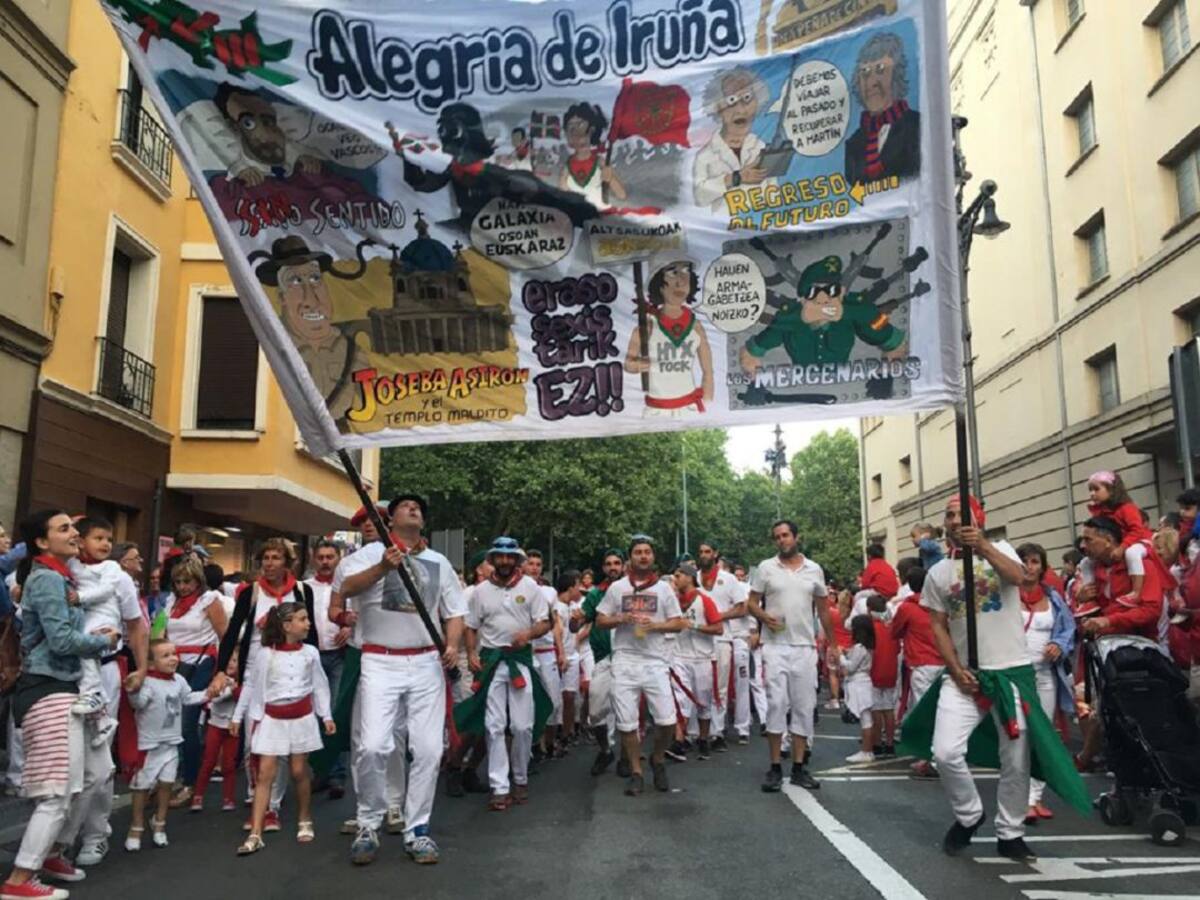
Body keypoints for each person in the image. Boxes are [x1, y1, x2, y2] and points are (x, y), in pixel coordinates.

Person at [899, 495, 1089, 863]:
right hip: (964, 677)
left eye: (961, 515)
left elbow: (1020, 579)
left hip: (1011, 674)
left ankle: (1010, 832)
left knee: (1016, 759)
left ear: (979, 519)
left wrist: (983, 547)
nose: (954, 521)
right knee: (945, 752)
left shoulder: (1002, 550)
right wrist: (954, 668)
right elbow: (937, 624)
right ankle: (969, 815)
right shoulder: (939, 572)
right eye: (949, 516)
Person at [334, 494, 464, 866]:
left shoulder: (439, 562)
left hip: (425, 663)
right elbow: (345, 591)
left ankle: (417, 829)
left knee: (427, 749)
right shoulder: (364, 558)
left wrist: (452, 644)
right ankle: (369, 822)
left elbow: (454, 612)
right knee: (373, 745)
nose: (414, 510)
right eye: (406, 506)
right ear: (389, 519)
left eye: (419, 508)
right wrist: (383, 568)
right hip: (379, 659)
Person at [2, 511, 119, 899]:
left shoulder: (57, 577)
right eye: (65, 528)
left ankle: (52, 853)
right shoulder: (49, 579)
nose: (74, 534)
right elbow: (63, 642)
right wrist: (105, 639)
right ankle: (19, 879)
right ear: (41, 541)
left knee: (95, 774)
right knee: (56, 793)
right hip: (48, 689)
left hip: (66, 688)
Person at [211, 538, 316, 831]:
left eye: (275, 558)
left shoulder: (301, 591)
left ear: (287, 562)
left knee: (280, 746)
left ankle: (272, 806)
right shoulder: (251, 592)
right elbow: (232, 633)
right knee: (253, 741)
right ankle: (256, 793)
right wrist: (221, 670)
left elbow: (313, 634)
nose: (269, 564)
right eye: (265, 558)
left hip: (289, 676)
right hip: (256, 673)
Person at [65, 518, 148, 869]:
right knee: (70, 759)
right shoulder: (61, 570)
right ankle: (61, 835)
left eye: (107, 538)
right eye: (96, 537)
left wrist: (141, 668)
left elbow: (135, 625)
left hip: (106, 667)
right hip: (64, 672)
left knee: (99, 751)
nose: (103, 543)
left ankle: (96, 833)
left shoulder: (119, 577)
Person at [458, 538, 552, 811]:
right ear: (493, 559)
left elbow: (545, 622)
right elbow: (471, 625)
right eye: (500, 556)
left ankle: (520, 778)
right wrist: (472, 653)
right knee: (494, 726)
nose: (506, 561)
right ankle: (499, 787)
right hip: (490, 661)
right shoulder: (480, 591)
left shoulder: (530, 587)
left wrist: (528, 634)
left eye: (511, 557)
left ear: (517, 560)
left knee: (522, 726)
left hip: (520, 660)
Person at [233, 604, 333, 855]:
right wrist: (238, 717)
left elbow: (319, 685)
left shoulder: (310, 653)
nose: (308, 623)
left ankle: (304, 818)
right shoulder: (265, 654)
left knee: (299, 770)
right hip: (272, 719)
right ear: (287, 626)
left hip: (302, 718)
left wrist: (326, 715)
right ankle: (255, 832)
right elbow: (252, 686)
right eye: (302, 619)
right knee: (264, 774)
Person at [747, 519, 839, 792]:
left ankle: (799, 767)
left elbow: (823, 610)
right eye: (777, 537)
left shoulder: (814, 569)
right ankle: (775, 767)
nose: (781, 540)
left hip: (804, 647)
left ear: (796, 537)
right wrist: (764, 617)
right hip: (774, 645)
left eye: (786, 535)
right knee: (776, 703)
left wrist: (833, 645)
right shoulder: (766, 568)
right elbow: (751, 603)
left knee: (804, 706)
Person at [595, 535, 687, 796]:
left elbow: (680, 623)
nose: (643, 556)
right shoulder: (617, 588)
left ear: (653, 557)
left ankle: (657, 759)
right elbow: (600, 620)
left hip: (655, 661)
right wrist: (620, 617)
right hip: (625, 659)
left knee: (667, 720)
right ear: (630, 558)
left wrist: (655, 625)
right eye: (638, 552)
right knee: (626, 723)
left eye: (647, 552)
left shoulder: (663, 589)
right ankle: (636, 771)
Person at [124, 640, 212, 851]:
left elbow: (188, 698)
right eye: (165, 655)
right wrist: (133, 689)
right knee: (141, 787)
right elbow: (138, 703)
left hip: (171, 743)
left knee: (166, 785)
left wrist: (211, 693)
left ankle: (159, 823)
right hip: (148, 746)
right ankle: (136, 827)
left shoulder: (179, 680)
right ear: (151, 663)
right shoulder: (146, 682)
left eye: (174, 653)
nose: (173, 658)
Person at [1014, 543, 1076, 825]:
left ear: (1043, 566)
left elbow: (1068, 629)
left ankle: (1035, 797)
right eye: (1024, 561)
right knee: (1022, 734)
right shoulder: (1006, 596)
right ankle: (1021, 797)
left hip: (1046, 674)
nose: (1029, 566)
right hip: (1016, 675)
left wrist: (1058, 645)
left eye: (1035, 561)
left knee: (1044, 734)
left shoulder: (1053, 598)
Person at [162, 556, 228, 810]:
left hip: (201, 663)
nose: (182, 586)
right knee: (171, 722)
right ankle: (176, 776)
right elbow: (161, 632)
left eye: (187, 581)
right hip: (173, 664)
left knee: (188, 723)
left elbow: (225, 635)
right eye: (178, 581)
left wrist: (222, 671)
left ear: (197, 580)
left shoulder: (209, 600)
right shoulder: (170, 602)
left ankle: (191, 780)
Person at [843, 31, 921, 185]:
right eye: (864, 72)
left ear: (896, 74)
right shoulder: (853, 145)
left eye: (880, 69)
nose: (871, 82)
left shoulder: (917, 126)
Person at [305, 540, 350, 799]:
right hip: (311, 657)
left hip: (339, 656)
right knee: (312, 715)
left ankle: (336, 775)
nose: (325, 561)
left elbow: (359, 616)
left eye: (330, 556)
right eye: (320, 556)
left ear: (338, 559)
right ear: (314, 559)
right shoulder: (305, 588)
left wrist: (349, 627)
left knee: (335, 713)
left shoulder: (347, 588)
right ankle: (319, 771)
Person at [666, 563, 724, 761]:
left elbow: (719, 629)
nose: (675, 579)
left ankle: (703, 738)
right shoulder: (673, 601)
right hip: (679, 656)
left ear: (689, 577)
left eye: (678, 575)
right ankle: (680, 740)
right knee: (680, 699)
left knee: (703, 702)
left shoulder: (704, 601)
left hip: (703, 658)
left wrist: (695, 626)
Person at [576, 550, 626, 775]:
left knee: (628, 711)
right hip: (604, 659)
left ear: (624, 566)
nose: (613, 567)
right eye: (608, 564)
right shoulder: (596, 594)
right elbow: (579, 622)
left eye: (617, 563)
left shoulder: (632, 591)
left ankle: (627, 757)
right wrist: (574, 622)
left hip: (628, 658)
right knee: (595, 713)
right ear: (603, 568)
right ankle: (606, 751)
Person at [693, 66, 771, 211]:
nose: (741, 110)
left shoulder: (761, 148)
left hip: (762, 227)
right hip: (726, 230)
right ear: (716, 107)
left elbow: (774, 196)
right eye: (731, 101)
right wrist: (735, 178)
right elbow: (699, 197)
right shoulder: (705, 156)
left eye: (747, 98)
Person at [889, 566, 942, 778]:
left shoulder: (907, 608)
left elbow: (895, 631)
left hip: (921, 663)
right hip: (943, 660)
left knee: (924, 712)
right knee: (942, 711)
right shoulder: (939, 603)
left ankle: (931, 759)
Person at [696, 541, 745, 750]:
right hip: (696, 639)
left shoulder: (729, 579)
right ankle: (695, 733)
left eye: (708, 551)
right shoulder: (693, 578)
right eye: (701, 552)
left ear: (716, 553)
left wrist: (716, 616)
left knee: (720, 687)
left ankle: (717, 732)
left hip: (722, 638)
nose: (704, 555)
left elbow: (742, 608)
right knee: (698, 686)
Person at [524, 550, 566, 761]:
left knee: (553, 701)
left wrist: (561, 651)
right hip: (527, 653)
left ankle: (548, 743)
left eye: (538, 564)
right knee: (529, 702)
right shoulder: (519, 589)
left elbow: (556, 624)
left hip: (547, 652)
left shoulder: (549, 592)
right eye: (530, 563)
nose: (534, 567)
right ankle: (532, 746)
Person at [1086, 471, 1154, 599]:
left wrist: (1122, 547)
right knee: (1086, 562)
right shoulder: (1101, 511)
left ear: (1111, 490)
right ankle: (1090, 595)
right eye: (1090, 490)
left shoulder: (1127, 508)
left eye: (1096, 489)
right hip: (1123, 544)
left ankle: (1136, 592)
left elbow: (1137, 530)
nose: (1092, 494)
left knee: (1132, 554)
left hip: (1141, 541)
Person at [191, 650, 241, 812]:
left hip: (233, 727)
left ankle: (228, 798)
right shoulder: (219, 681)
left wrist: (234, 689)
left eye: (235, 660)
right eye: (228, 660)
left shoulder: (241, 683)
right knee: (208, 761)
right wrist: (227, 688)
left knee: (229, 764)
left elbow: (242, 699)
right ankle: (198, 796)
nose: (231, 663)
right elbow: (214, 697)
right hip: (215, 725)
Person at [559, 102, 625, 206]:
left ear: (592, 130)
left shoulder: (600, 162)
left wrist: (610, 178)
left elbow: (621, 195)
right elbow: (563, 195)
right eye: (571, 128)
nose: (576, 133)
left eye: (580, 125)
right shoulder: (567, 166)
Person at [867, 595, 898, 757]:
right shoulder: (891, 627)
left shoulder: (871, 627)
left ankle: (878, 743)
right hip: (891, 670)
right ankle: (890, 743)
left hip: (875, 671)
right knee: (889, 708)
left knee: (877, 710)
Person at [843, 616, 876, 763]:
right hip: (864, 682)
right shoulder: (867, 647)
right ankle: (867, 750)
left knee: (865, 719)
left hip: (859, 683)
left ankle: (866, 750)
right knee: (866, 718)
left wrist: (840, 657)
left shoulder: (859, 648)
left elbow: (850, 668)